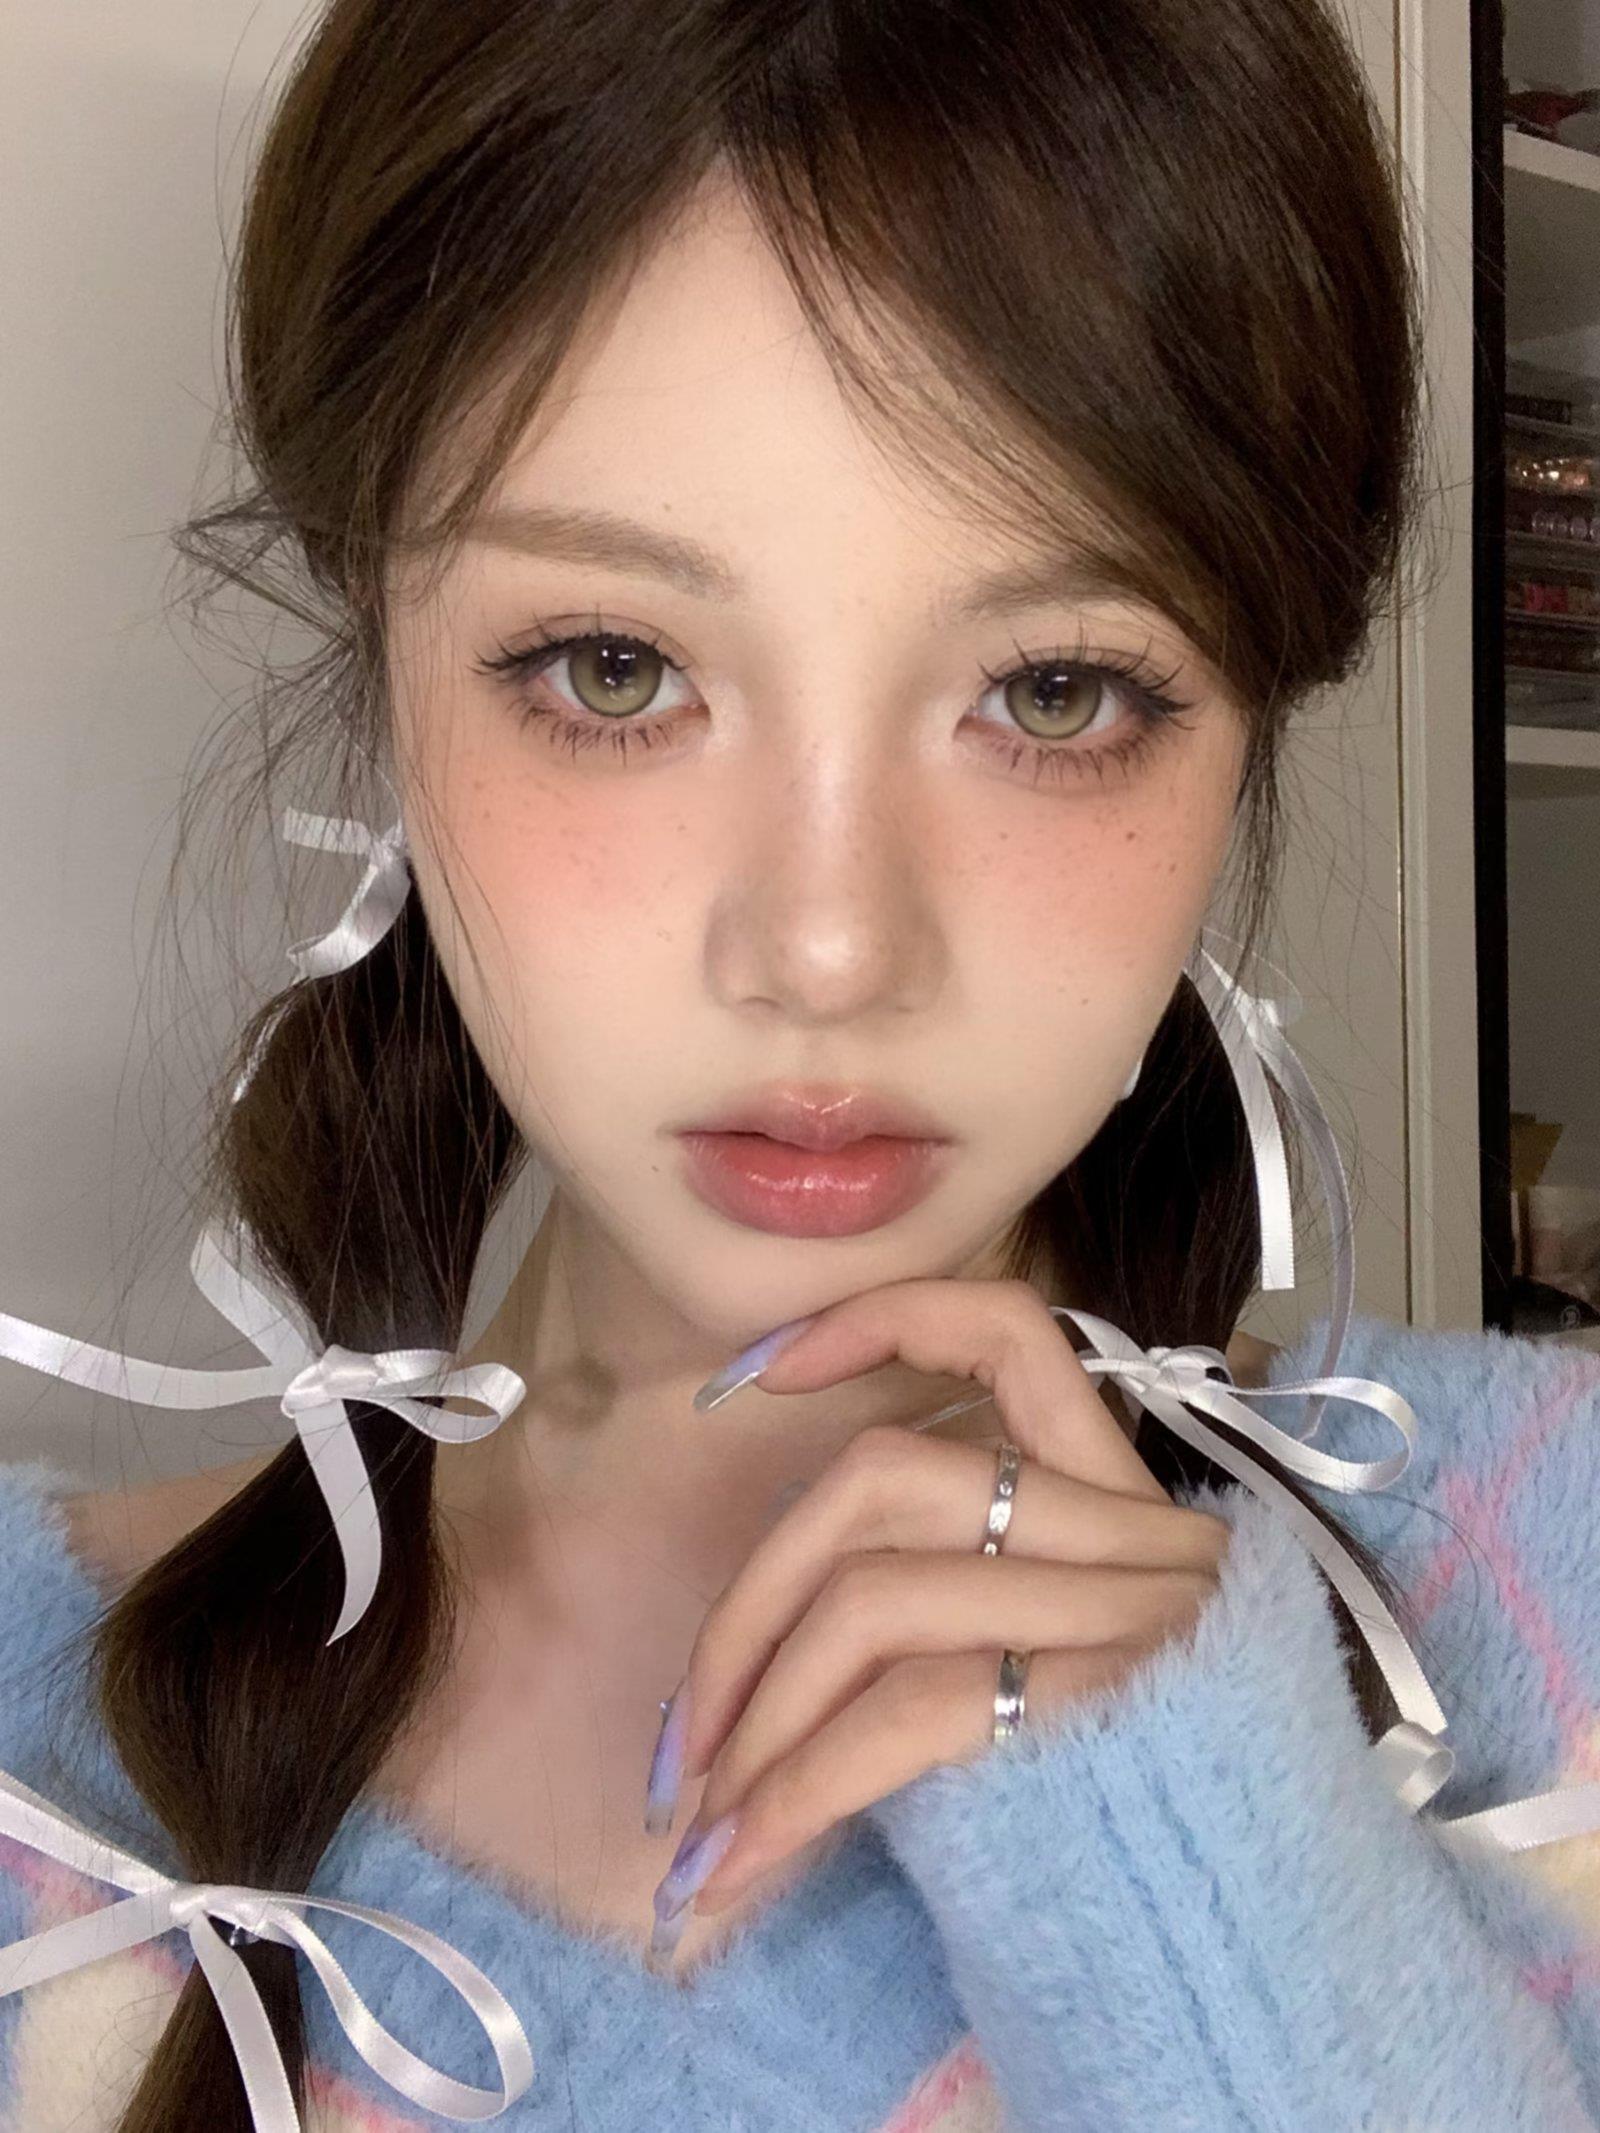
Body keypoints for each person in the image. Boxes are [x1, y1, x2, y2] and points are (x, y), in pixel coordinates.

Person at [1, 0, 1599, 2127]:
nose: (830, 948)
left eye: (1052, 689)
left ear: (1246, 719)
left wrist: (1206, 1889)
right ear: (378, 643)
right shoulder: (35, 1756)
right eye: (615, 667)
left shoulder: (1549, 1565)